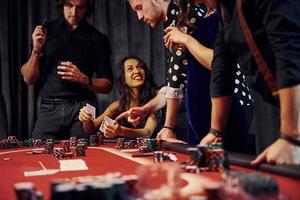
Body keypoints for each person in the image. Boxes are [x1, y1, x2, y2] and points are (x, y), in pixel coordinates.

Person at [119, 0, 253, 152]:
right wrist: (147, 109)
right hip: (203, 111)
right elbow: (176, 82)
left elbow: (221, 64)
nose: (139, 16)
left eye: (139, 8)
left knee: (227, 167)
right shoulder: (174, 20)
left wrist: (169, 125)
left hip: (229, 104)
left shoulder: (189, 14)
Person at [197, 0, 300, 165]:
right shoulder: (225, 9)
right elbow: (222, 67)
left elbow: (290, 49)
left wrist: (292, 137)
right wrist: (215, 132)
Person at [21, 0, 113, 140]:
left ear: (86, 7)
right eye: (69, 5)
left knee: (86, 156)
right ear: (62, 5)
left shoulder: (97, 38)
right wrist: (36, 50)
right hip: (49, 107)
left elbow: (107, 85)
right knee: (37, 153)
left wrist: (84, 79)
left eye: (80, 7)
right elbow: (28, 78)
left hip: (83, 107)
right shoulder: (46, 32)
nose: (74, 12)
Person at [79, 56, 159, 138]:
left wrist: (121, 131)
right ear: (123, 79)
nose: (137, 71)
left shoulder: (155, 100)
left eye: (140, 67)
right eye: (130, 69)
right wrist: (86, 118)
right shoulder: (118, 105)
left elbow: (147, 133)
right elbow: (91, 128)